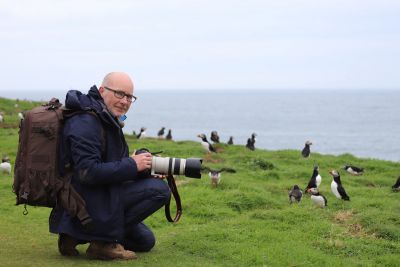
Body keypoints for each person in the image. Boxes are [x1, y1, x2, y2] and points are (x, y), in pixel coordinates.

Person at [50, 72, 171, 260]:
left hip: (99, 194)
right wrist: (132, 165)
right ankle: (101, 243)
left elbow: (111, 167)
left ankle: (74, 234)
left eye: (130, 97)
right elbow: (88, 172)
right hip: (84, 199)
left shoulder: (104, 116)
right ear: (102, 91)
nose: (125, 101)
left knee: (145, 241)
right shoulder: (86, 121)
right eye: (119, 94)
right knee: (159, 190)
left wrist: (142, 171)